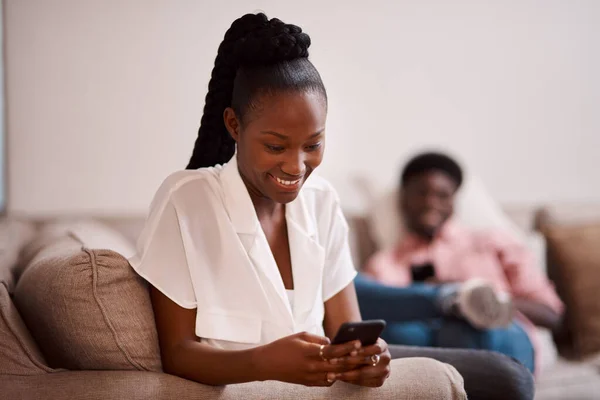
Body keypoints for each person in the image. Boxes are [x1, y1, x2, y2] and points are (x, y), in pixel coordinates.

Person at [128, 13, 466, 397]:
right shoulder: (187, 200)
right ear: (234, 125)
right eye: (276, 146)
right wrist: (263, 361)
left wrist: (367, 360)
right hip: (258, 384)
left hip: (324, 380)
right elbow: (177, 353)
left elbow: (345, 331)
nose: (296, 166)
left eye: (313, 145)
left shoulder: (322, 201)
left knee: (504, 375)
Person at [360, 152, 565, 376]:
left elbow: (552, 315)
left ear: (454, 201)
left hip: (498, 338)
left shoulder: (492, 243)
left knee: (463, 327)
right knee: (400, 330)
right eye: (421, 193)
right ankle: (448, 299)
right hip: (427, 346)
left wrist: (490, 302)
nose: (430, 202)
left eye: (442, 195)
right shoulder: (384, 264)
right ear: (404, 198)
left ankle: (459, 300)